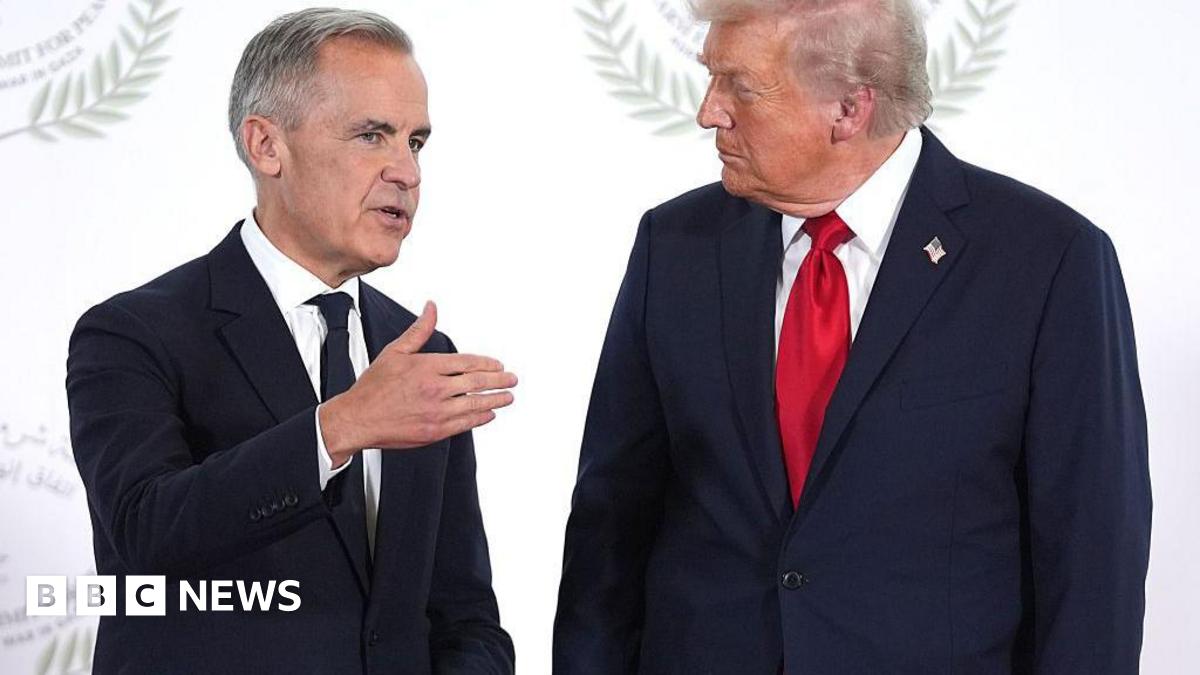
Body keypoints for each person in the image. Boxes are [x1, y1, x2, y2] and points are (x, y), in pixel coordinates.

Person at [554, 0, 1151, 672]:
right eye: (711, 77)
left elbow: (1092, 558)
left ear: (849, 109)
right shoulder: (674, 245)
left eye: (740, 87)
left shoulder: (1046, 259)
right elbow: (610, 526)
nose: (709, 111)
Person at [66, 8, 516, 673]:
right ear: (266, 146)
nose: (407, 172)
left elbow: (463, 613)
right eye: (372, 135)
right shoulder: (133, 333)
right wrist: (339, 427)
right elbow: (145, 536)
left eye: (416, 142)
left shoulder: (421, 354)